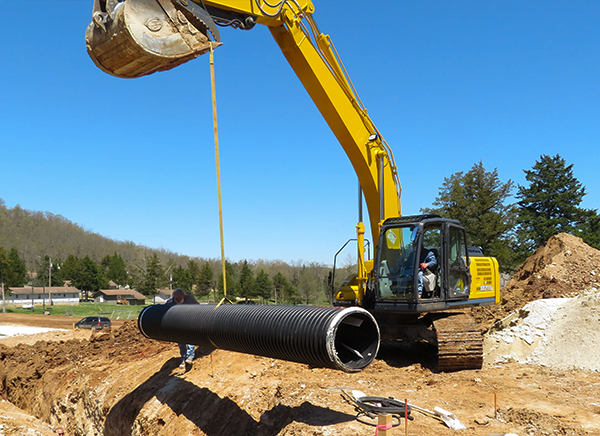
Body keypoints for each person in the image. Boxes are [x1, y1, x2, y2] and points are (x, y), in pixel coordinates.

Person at [166, 288, 199, 369]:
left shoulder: (189, 299)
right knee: (181, 343)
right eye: (177, 298)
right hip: (178, 325)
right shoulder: (170, 302)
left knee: (190, 340)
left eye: (180, 298)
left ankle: (190, 357)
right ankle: (183, 359)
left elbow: (199, 307)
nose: (179, 299)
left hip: (189, 322)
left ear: (183, 296)